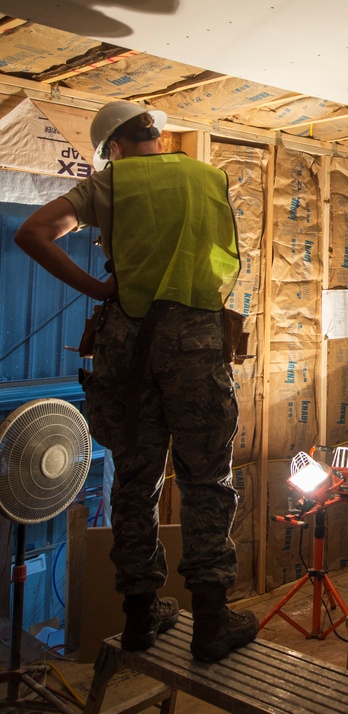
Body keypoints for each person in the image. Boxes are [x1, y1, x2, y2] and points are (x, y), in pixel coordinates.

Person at [14, 101, 256, 661]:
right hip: (196, 340)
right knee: (206, 479)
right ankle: (211, 620)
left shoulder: (110, 182)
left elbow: (33, 233)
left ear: (112, 148)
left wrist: (96, 289)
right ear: (154, 136)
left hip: (128, 343)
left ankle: (141, 615)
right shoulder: (207, 176)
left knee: (134, 477)